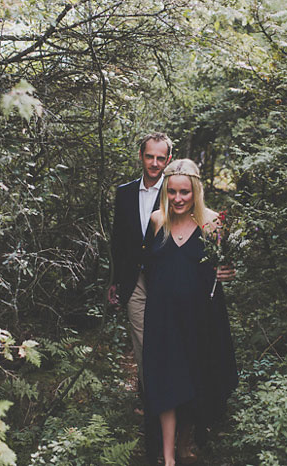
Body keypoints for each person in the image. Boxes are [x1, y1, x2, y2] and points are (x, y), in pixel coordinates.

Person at [143, 159, 238, 466]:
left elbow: (224, 264)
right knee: (166, 380)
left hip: (200, 317)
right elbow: (149, 267)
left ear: (195, 191)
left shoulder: (211, 223)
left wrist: (227, 271)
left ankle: (187, 439)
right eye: (172, 192)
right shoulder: (158, 220)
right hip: (164, 317)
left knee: (195, 378)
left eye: (184, 192)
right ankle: (168, 457)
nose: (178, 198)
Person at [108, 132, 174, 390]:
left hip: (167, 279)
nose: (155, 163)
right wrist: (114, 281)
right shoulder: (124, 193)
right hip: (133, 280)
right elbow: (118, 240)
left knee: (166, 338)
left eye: (160, 158)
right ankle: (151, 401)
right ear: (141, 156)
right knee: (143, 341)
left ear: (168, 160)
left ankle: (173, 399)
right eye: (150, 157)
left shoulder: (175, 192)